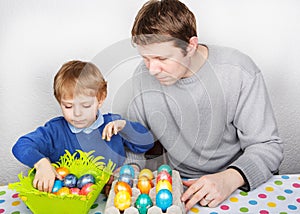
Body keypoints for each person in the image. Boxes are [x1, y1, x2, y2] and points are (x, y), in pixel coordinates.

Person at [129, 0, 284, 210]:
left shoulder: (238, 71)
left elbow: (268, 146)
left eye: (162, 58)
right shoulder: (141, 76)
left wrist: (229, 179)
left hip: (237, 185)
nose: (152, 69)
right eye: (145, 58)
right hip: (178, 190)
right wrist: (128, 174)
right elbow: (135, 144)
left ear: (190, 46)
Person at [12, 60, 154, 193]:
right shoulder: (55, 131)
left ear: (101, 98)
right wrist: (41, 164)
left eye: (86, 105)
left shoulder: (113, 124)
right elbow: (21, 145)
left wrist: (124, 126)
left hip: (111, 199)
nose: (77, 113)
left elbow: (147, 143)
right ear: (59, 101)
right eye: (68, 106)